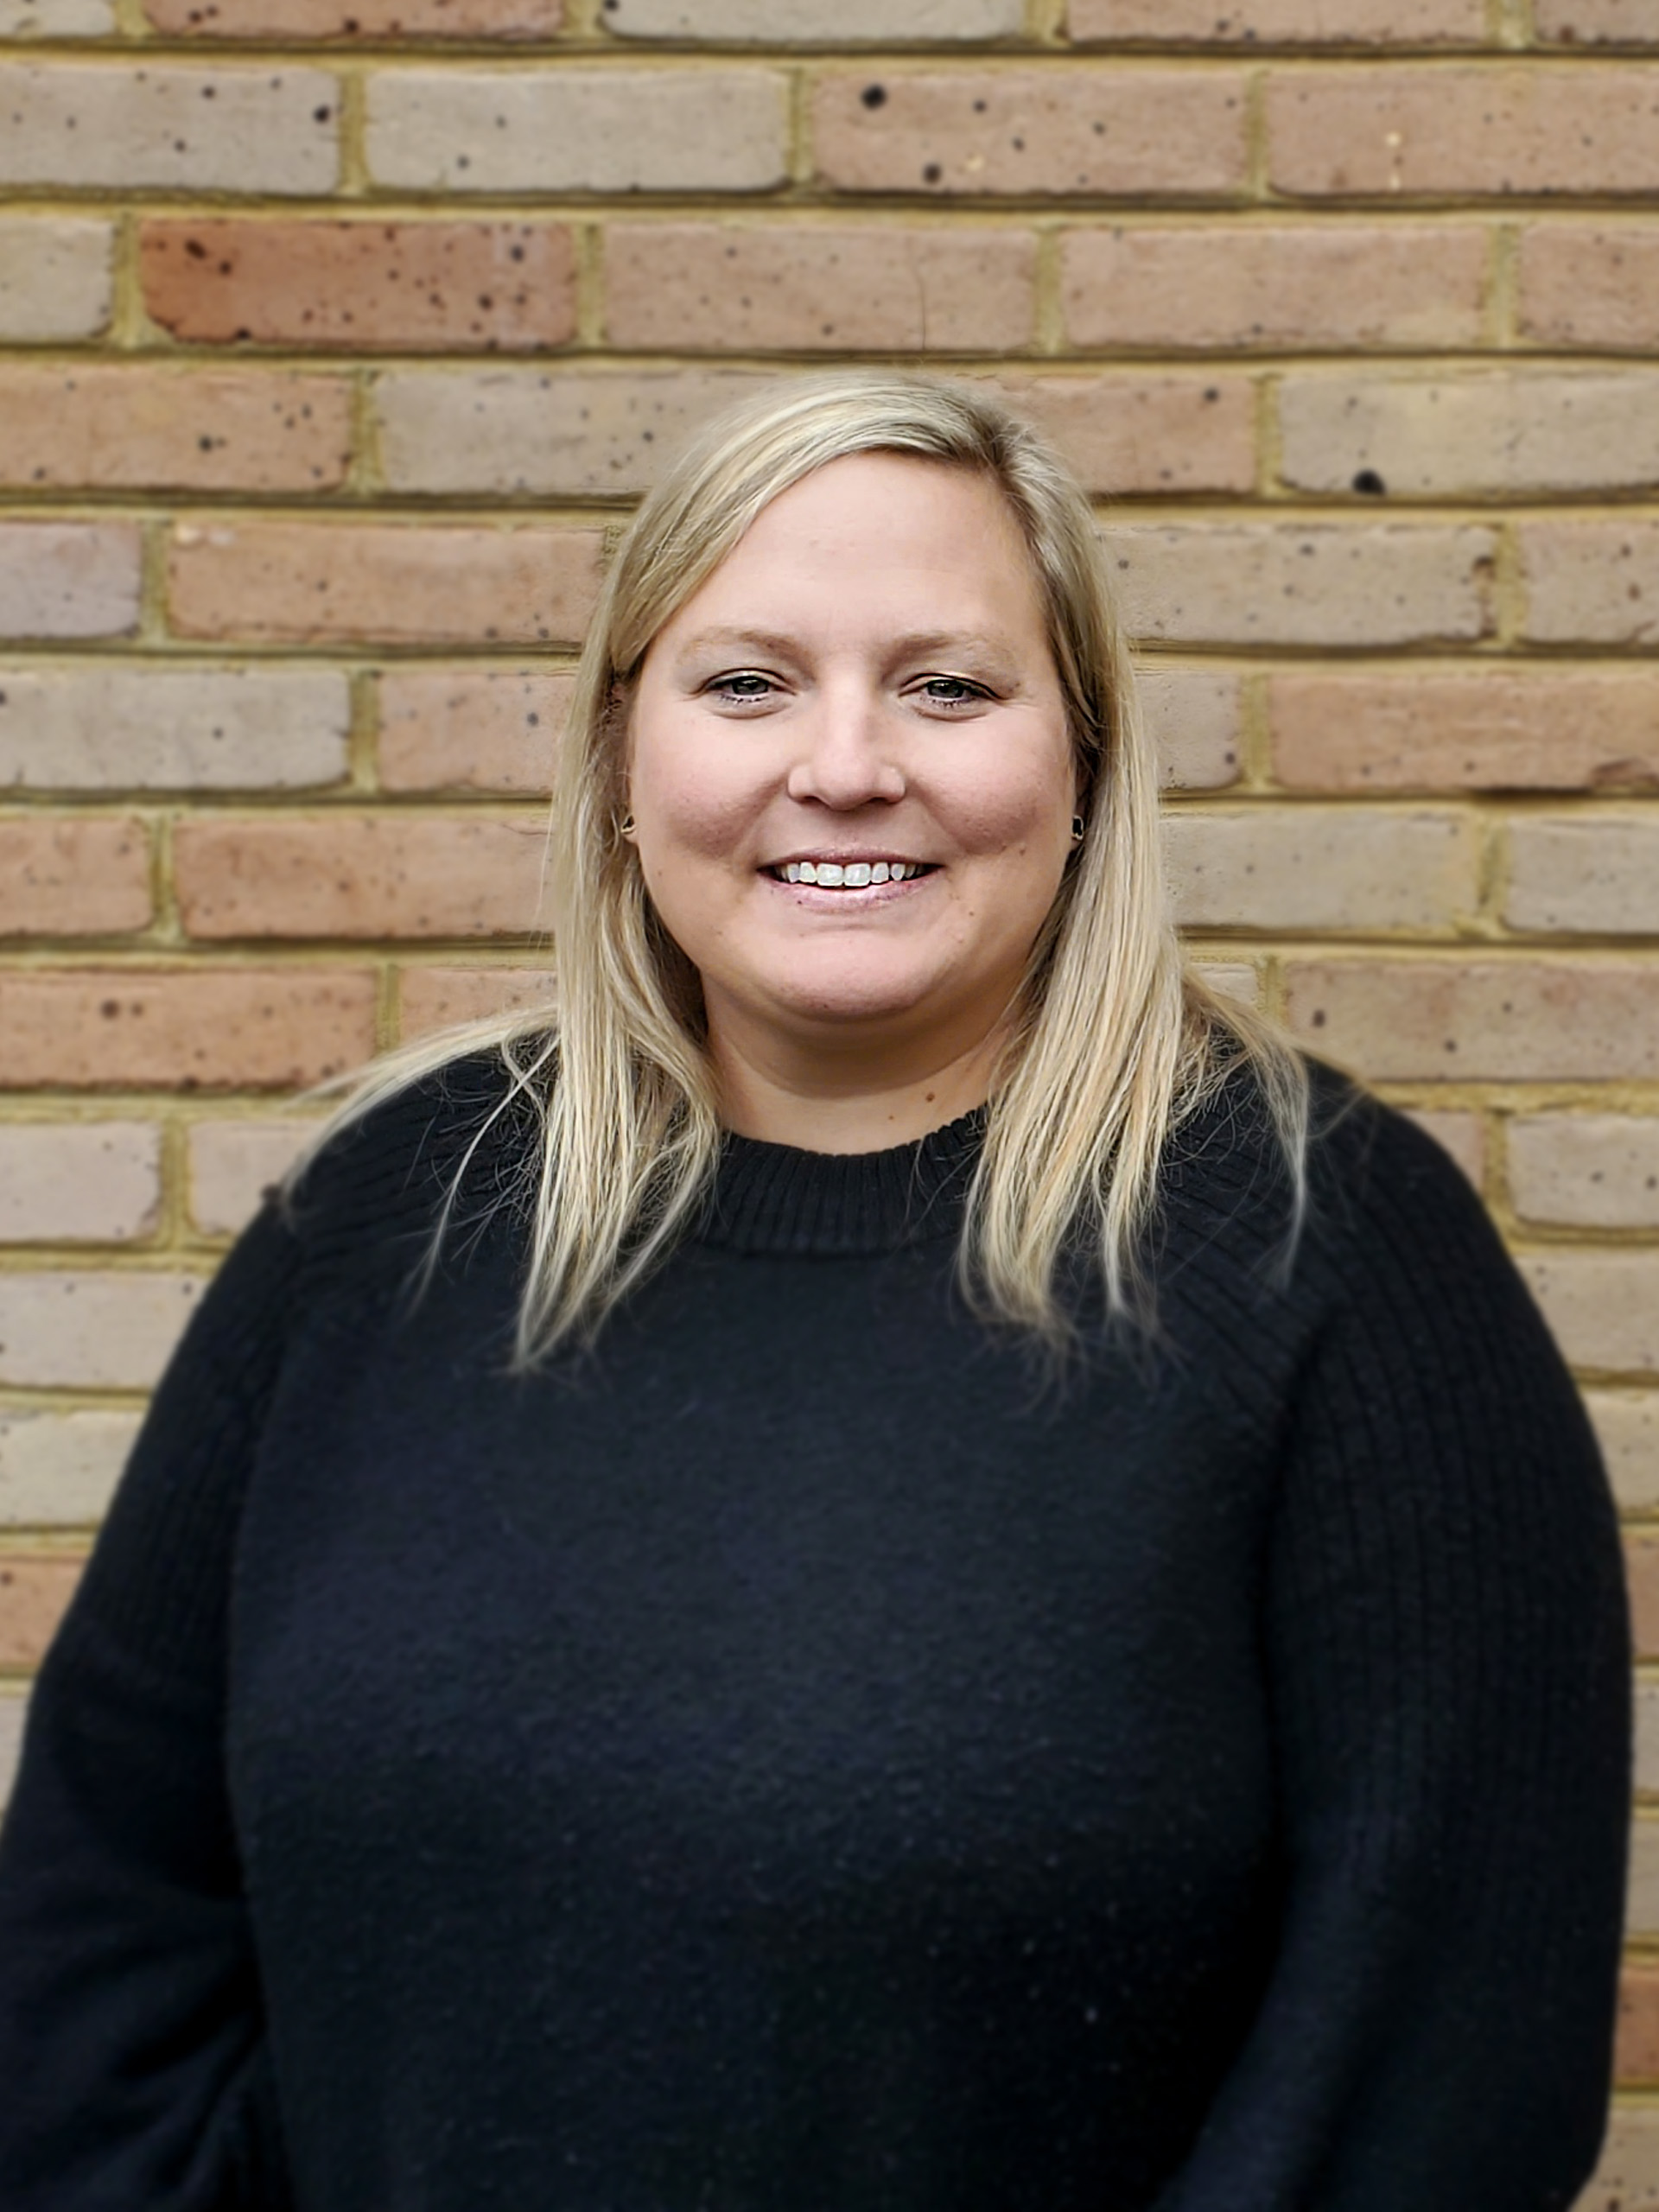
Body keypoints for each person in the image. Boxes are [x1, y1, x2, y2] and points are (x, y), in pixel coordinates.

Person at [0, 372, 1631, 2211]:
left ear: (1081, 762)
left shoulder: (1323, 1256)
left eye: (948, 684)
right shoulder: (392, 1223)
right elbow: (101, 1923)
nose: (845, 762)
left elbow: (1433, 2069)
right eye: (747, 680)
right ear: (625, 757)